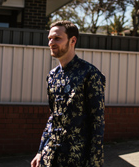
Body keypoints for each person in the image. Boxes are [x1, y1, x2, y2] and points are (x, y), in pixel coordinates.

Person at [31, 21, 106, 167]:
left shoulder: (90, 74)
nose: (51, 43)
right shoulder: (52, 76)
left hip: (77, 157)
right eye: (50, 39)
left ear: (73, 41)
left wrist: (95, 162)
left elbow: (97, 121)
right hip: (51, 155)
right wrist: (41, 151)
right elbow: (54, 116)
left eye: (57, 38)